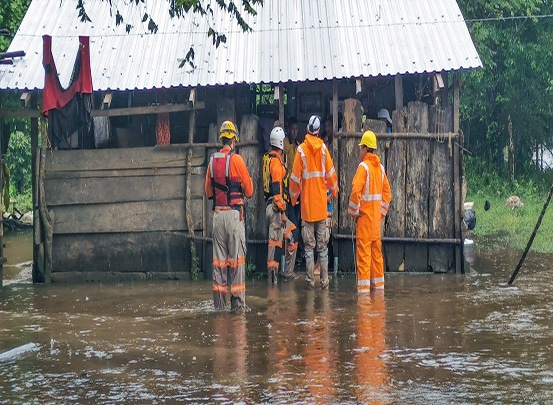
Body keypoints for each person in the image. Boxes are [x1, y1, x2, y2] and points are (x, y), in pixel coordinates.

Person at [205, 120, 254, 311]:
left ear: (221, 139)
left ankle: (219, 308)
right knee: (237, 262)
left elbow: (208, 193)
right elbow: (249, 191)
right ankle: (238, 308)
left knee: (219, 264)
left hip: (218, 217)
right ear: (234, 140)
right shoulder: (238, 160)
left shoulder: (211, 161)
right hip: (234, 217)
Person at [290, 114, 339, 289]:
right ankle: (325, 281)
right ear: (318, 132)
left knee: (309, 247)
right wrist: (334, 191)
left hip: (307, 209)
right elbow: (332, 176)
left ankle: (310, 282)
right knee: (323, 247)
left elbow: (295, 179)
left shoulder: (301, 151)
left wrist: (294, 198)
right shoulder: (325, 150)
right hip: (322, 208)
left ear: (307, 130)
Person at [348, 130, 392, 293]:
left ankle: (364, 299)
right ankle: (379, 294)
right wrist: (380, 214)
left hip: (365, 223)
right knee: (377, 259)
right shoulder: (380, 168)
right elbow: (388, 194)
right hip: (375, 225)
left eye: (361, 148)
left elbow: (355, 191)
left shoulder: (363, 167)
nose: (359, 151)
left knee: (364, 260)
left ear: (365, 149)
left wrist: (354, 212)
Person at [263, 126, 300, 284]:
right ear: (280, 143)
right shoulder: (276, 165)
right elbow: (277, 193)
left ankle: (286, 273)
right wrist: (283, 212)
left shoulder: (267, 159)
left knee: (292, 235)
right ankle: (272, 283)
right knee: (275, 244)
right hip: (276, 209)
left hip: (270, 206)